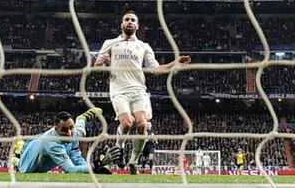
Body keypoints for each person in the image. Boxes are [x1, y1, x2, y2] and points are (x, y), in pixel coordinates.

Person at [94, 10, 191, 174]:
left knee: (142, 124)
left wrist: (175, 63)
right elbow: (97, 67)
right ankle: (119, 148)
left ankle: (133, 162)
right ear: (121, 24)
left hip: (139, 90)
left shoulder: (143, 46)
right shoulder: (109, 43)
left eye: (133, 20)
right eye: (127, 20)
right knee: (126, 123)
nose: (130, 22)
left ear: (137, 26)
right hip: (118, 89)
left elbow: (155, 69)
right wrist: (100, 63)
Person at [17, 108, 119, 174]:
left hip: (39, 143)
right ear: (56, 129)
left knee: (79, 134)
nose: (69, 133)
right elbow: (70, 170)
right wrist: (99, 163)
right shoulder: (52, 144)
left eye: (71, 127)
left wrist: (91, 169)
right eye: (64, 130)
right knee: (19, 163)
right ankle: (15, 160)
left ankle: (81, 119)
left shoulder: (72, 133)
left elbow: (76, 158)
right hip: (28, 161)